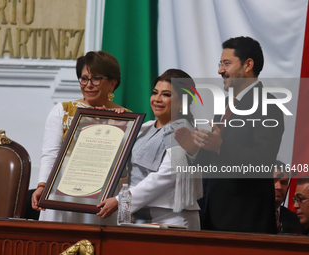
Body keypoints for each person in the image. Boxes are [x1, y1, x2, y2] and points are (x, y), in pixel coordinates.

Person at [175, 36, 284, 233]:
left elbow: (263, 160)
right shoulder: (226, 105)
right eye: (220, 64)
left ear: (248, 65)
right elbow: (216, 160)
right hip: (213, 215)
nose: (220, 70)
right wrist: (195, 150)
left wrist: (220, 146)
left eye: (226, 63)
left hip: (245, 220)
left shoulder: (268, 105)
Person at [96, 69, 202, 230]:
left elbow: (165, 176)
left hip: (173, 219)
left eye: (166, 94)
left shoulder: (184, 131)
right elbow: (120, 167)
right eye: (155, 93)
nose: (157, 99)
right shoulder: (143, 128)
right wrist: (111, 124)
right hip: (140, 219)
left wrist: (121, 200)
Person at [31, 51, 126, 224]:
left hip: (101, 199)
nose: (89, 85)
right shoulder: (63, 110)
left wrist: (115, 123)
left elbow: (127, 169)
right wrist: (42, 185)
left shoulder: (126, 118)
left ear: (112, 84)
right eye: (84, 78)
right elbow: (50, 154)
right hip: (60, 194)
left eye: (96, 78)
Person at [273, 160, 304, 234]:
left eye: (283, 183)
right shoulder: (249, 216)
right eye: (274, 181)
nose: (279, 187)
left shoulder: (295, 219)